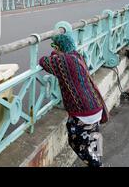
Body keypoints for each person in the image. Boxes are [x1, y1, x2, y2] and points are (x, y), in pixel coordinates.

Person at [39, 33, 108, 167]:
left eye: (54, 46)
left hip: (82, 112)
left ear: (59, 48)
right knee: (94, 139)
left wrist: (54, 53)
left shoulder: (64, 61)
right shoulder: (77, 56)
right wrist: (57, 51)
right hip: (95, 105)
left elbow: (43, 61)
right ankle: (98, 160)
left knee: (76, 142)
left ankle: (97, 165)